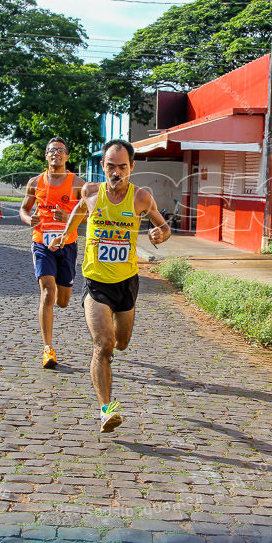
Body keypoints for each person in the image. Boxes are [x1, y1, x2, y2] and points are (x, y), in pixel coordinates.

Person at [51, 139, 171, 432]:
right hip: (95, 280)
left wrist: (160, 235)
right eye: (110, 166)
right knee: (103, 345)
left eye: (122, 166)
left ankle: (110, 357)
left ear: (131, 167)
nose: (116, 172)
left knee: (121, 342)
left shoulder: (141, 198)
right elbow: (80, 212)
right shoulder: (91, 191)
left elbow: (163, 227)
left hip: (127, 282)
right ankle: (106, 410)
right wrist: (64, 234)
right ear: (102, 166)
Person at [20, 138, 85, 369]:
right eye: (51, 151)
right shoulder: (35, 182)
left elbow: (89, 215)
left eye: (60, 150)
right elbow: (24, 209)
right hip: (42, 242)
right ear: (46, 157)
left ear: (67, 156)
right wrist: (30, 220)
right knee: (47, 291)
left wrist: (69, 219)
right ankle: (48, 349)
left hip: (67, 244)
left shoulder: (78, 183)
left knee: (63, 300)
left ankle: (62, 290)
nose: (55, 154)